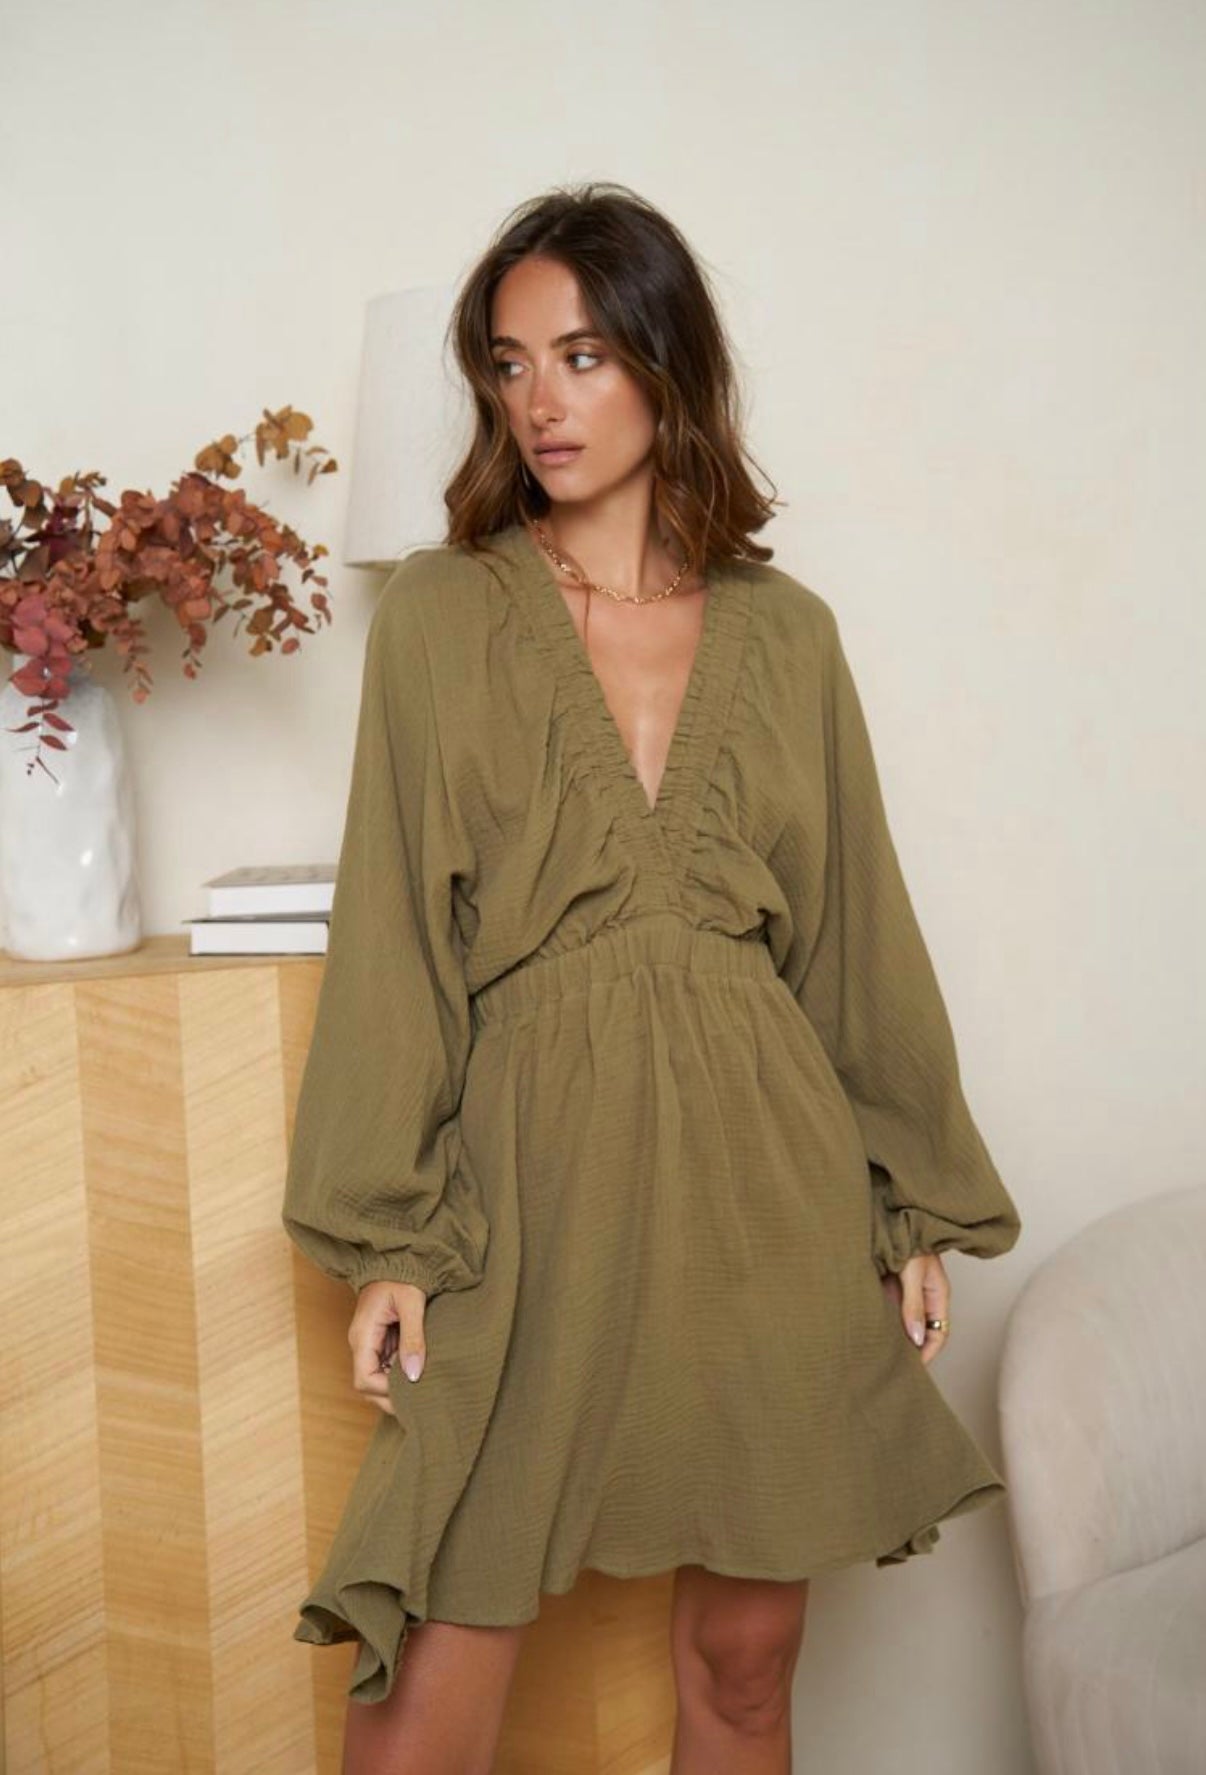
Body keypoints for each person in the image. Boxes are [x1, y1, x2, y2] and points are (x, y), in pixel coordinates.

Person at [280, 181, 1022, 1774]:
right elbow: (394, 935)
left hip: (765, 1179)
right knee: (435, 1664)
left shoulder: (788, 634)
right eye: (507, 363)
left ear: (664, 363)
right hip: (530, 1171)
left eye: (582, 356)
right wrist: (387, 1234)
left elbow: (852, 936)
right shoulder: (441, 617)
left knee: (743, 1666)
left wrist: (905, 1199)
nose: (539, 402)